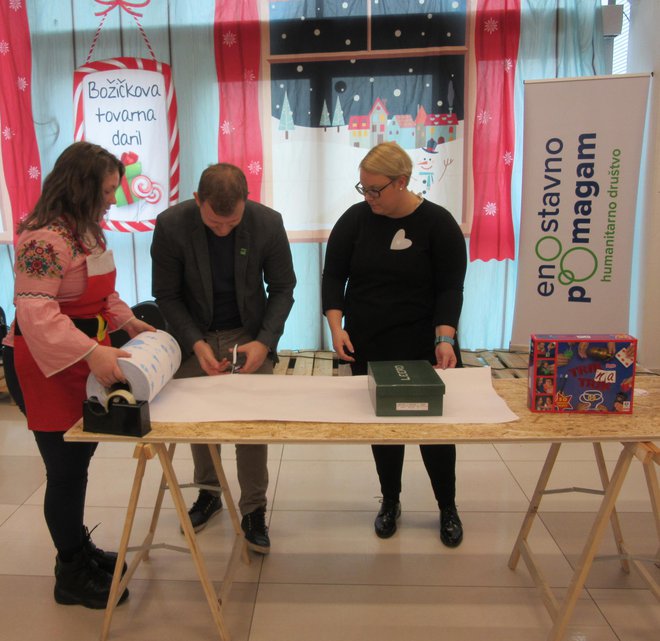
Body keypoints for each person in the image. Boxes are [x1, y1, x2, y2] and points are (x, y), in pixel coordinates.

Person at [5, 141, 155, 608]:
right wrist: (92, 351)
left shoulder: (89, 233)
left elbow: (104, 295)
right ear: (83, 187)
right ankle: (69, 571)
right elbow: (35, 313)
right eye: (108, 190)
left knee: (80, 464)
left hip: (87, 357)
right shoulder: (42, 239)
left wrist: (129, 322)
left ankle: (79, 548)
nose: (114, 198)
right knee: (65, 471)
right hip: (46, 366)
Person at [322, 141, 467, 547]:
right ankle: (390, 500)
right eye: (363, 188)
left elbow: (450, 287)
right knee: (383, 427)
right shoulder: (355, 220)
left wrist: (445, 337)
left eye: (375, 190)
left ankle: (447, 506)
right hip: (369, 340)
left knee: (433, 430)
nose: (368, 197)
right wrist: (337, 328)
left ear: (402, 182)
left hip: (424, 340)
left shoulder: (438, 224)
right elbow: (333, 277)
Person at [151, 163, 296, 554]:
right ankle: (210, 493)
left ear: (245, 204)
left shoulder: (267, 223)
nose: (223, 231)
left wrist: (264, 342)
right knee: (201, 423)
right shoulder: (170, 225)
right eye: (214, 222)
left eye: (231, 223)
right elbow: (166, 294)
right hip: (192, 332)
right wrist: (195, 343)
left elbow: (283, 288)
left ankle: (253, 510)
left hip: (248, 334)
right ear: (197, 200)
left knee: (251, 425)